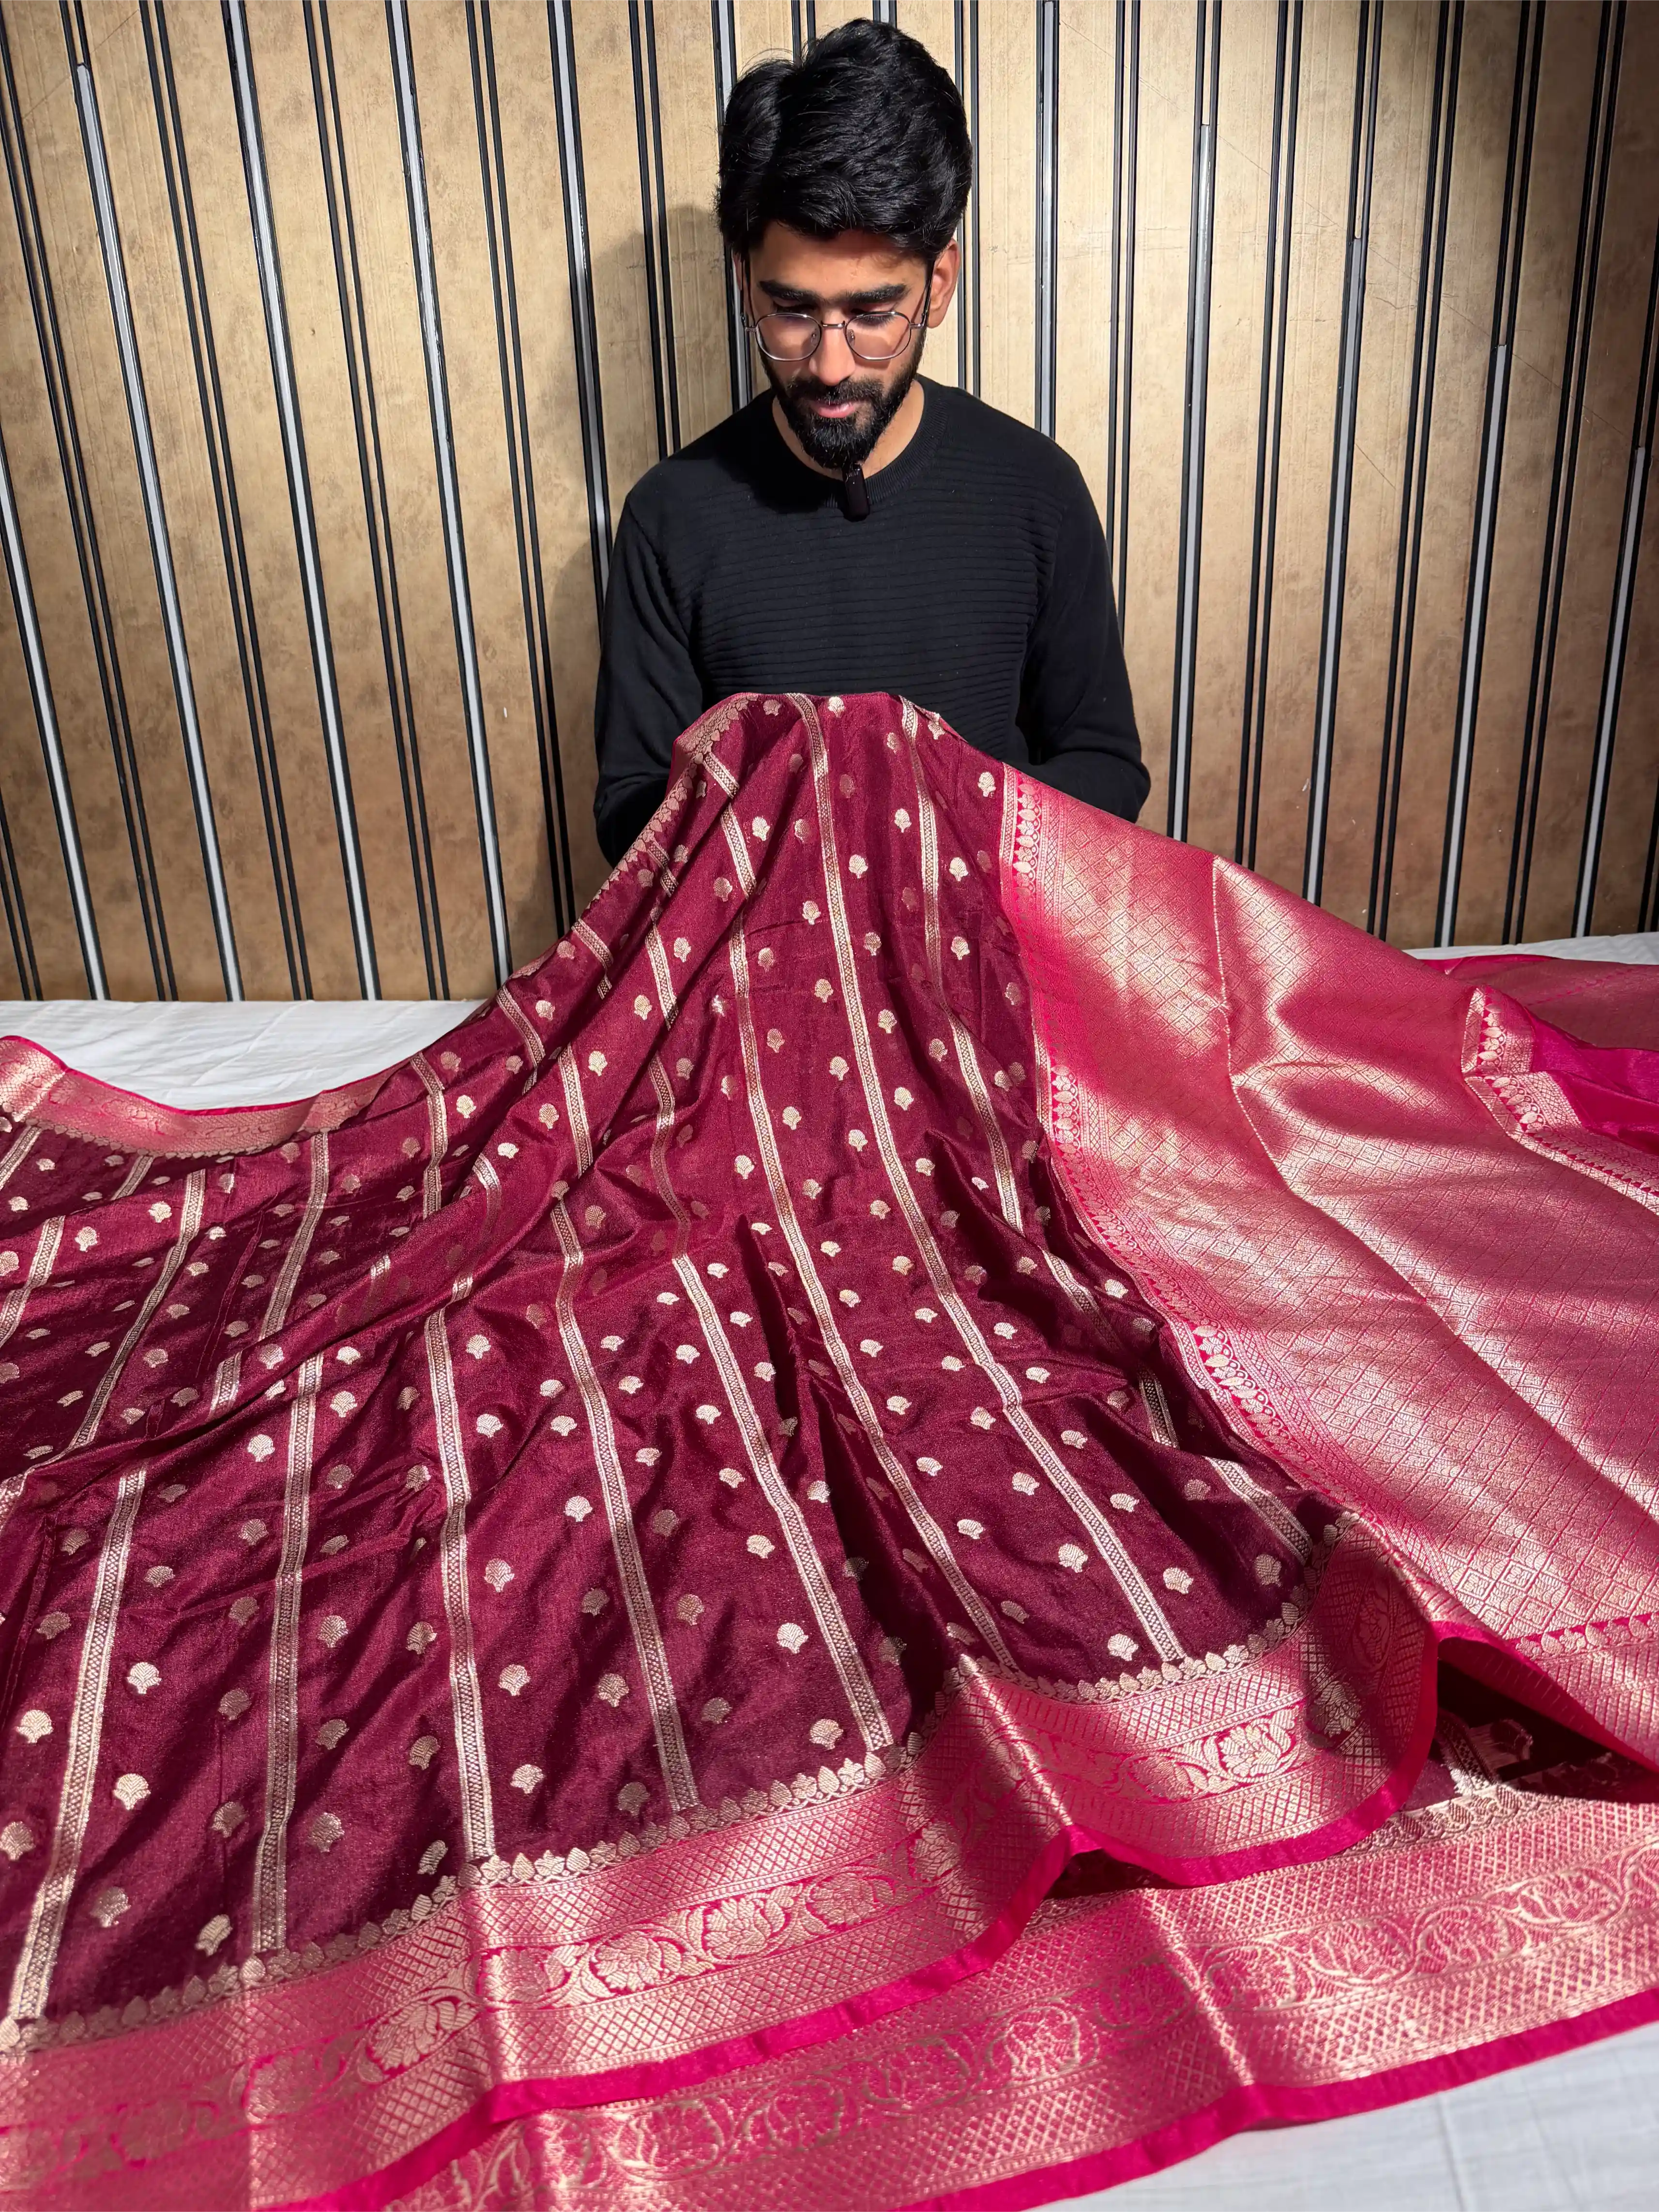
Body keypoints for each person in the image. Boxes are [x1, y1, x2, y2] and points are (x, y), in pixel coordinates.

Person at [592, 18, 1147, 867]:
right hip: (764, 972)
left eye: (872, 313)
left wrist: (912, 822)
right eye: (792, 310)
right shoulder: (669, 521)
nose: (830, 364)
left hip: (985, 950)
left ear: (939, 284)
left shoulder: (1038, 494)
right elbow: (633, 809)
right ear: (744, 279)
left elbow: (1105, 768)